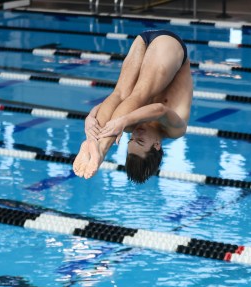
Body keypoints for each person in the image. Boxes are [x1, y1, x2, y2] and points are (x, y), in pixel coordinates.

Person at [72, 30, 193, 184]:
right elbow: (159, 110)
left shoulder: (130, 125)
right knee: (139, 95)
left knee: (119, 93)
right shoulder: (175, 130)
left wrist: (91, 118)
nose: (136, 134)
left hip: (142, 40)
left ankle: (93, 142)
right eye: (140, 141)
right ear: (156, 145)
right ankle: (101, 150)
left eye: (131, 140)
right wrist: (123, 122)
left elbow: (112, 103)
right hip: (169, 45)